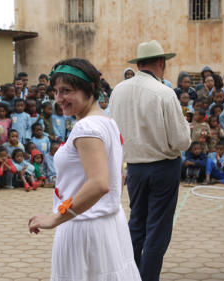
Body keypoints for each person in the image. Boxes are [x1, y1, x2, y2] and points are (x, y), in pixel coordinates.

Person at [28, 58, 141, 280]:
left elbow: (99, 183)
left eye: (66, 91)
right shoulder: (106, 121)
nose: (59, 98)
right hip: (107, 225)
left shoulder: (87, 127)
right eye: (56, 91)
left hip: (84, 228)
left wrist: (56, 217)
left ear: (90, 89)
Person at [109, 40, 190, 280]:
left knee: (137, 224)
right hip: (163, 167)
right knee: (157, 230)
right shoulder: (164, 92)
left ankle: (129, 275)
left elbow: (115, 129)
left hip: (134, 168)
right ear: (161, 63)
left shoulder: (118, 90)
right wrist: (189, 129)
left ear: (138, 63)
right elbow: (180, 141)